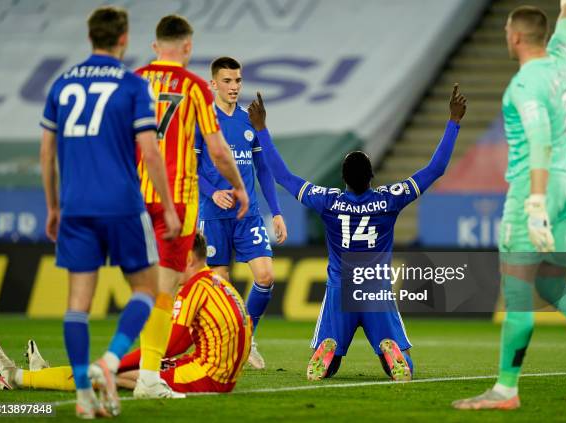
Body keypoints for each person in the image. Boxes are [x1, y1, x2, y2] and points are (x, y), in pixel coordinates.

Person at [246, 86, 467, 381]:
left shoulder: (328, 200)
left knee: (329, 368)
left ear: (343, 178)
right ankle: (391, 353)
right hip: (375, 291)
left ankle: (327, 351)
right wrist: (453, 121)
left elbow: (284, 176)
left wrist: (261, 129)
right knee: (404, 367)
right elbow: (436, 168)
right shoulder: (390, 198)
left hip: (340, 292)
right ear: (372, 176)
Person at [32, 6, 181, 418]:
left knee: (77, 304)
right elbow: (150, 151)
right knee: (147, 291)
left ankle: (84, 395)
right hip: (121, 205)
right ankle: (111, 362)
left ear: (90, 38)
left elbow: (46, 152)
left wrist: (53, 206)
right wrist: (168, 207)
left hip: (76, 207)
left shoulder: (61, 84)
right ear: (123, 39)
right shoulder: (132, 86)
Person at [453, 1, 566, 411]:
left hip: (539, 187)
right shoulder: (560, 59)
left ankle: (506, 389)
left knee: (518, 293)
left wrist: (534, 203)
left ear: (514, 37)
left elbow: (539, 139)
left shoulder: (524, 85)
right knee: (551, 285)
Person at [134, 15, 249, 398]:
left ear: (155, 46)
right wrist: (238, 186)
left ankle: (104, 370)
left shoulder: (133, 80)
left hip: (133, 200)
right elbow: (217, 150)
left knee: (138, 291)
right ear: (188, 47)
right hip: (176, 203)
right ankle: (141, 376)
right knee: (164, 294)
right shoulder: (195, 87)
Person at [0, 234, 252, 395]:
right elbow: (180, 343)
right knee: (121, 371)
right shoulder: (218, 282)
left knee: (102, 376)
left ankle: (15, 377)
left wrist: (119, 362)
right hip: (216, 372)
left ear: (188, 258)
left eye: (171, 257)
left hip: (207, 377)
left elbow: (170, 345)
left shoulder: (195, 289)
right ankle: (45, 373)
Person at [195, 57, 287, 369]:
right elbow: (191, 167)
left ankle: (246, 338)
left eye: (237, 81)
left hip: (248, 215)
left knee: (266, 276)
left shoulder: (251, 120)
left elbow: (263, 170)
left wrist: (276, 211)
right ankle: (220, 346)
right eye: (227, 81)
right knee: (220, 286)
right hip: (214, 216)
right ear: (213, 84)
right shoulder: (202, 120)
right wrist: (213, 191)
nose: (234, 87)